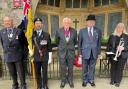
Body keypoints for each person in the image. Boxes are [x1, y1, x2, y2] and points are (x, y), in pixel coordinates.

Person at [0, 16, 28, 89]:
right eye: (5, 21)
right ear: (3, 23)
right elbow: (3, 44)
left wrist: (22, 53)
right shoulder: (1, 32)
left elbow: (24, 43)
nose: (7, 22)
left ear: (12, 21)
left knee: (20, 72)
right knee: (12, 72)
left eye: (8, 21)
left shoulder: (19, 31)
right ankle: (15, 84)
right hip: (8, 55)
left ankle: (23, 84)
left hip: (17, 55)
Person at [78, 14, 102, 87]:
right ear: (87, 22)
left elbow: (99, 42)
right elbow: (79, 43)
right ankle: (85, 80)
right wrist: (80, 53)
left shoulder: (98, 30)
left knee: (92, 67)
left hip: (94, 52)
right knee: (84, 67)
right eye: (89, 21)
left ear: (94, 22)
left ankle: (91, 80)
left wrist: (98, 53)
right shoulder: (82, 31)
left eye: (93, 21)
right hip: (85, 52)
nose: (91, 22)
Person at [56, 17, 77, 88]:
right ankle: (63, 81)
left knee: (70, 68)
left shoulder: (74, 31)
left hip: (71, 52)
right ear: (63, 23)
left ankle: (70, 80)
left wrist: (70, 47)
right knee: (62, 68)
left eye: (68, 22)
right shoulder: (59, 31)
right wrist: (62, 47)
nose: (66, 23)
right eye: (65, 22)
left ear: (70, 23)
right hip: (62, 52)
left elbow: (75, 42)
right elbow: (57, 41)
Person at [32, 18, 52, 89]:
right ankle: (39, 85)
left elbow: (49, 46)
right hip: (36, 57)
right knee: (37, 72)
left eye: (39, 23)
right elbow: (30, 46)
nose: (38, 25)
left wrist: (50, 57)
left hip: (44, 57)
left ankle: (45, 85)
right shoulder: (32, 35)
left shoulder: (46, 34)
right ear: (34, 25)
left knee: (45, 72)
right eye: (36, 23)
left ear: (42, 24)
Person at [106, 22, 128, 87]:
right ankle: (112, 80)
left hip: (122, 55)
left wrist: (123, 48)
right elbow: (108, 45)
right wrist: (107, 53)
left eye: (121, 27)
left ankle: (118, 81)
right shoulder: (112, 35)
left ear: (123, 28)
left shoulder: (126, 36)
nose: (120, 28)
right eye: (118, 26)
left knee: (120, 68)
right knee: (113, 68)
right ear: (116, 27)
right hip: (113, 54)